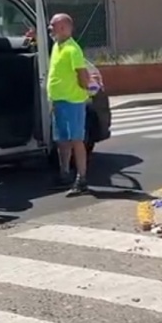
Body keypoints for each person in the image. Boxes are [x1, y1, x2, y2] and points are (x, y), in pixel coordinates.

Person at [46, 13, 92, 196]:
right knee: (62, 140)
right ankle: (64, 173)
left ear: (64, 28)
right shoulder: (57, 46)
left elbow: (82, 75)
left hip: (73, 101)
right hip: (59, 101)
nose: (50, 29)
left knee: (76, 140)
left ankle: (82, 179)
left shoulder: (73, 50)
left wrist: (84, 89)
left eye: (52, 26)